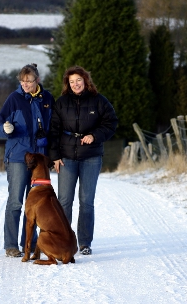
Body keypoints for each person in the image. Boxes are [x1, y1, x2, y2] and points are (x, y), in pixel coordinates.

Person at [48, 65, 118, 256]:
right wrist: (54, 156)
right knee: (64, 201)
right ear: (67, 84)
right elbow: (53, 130)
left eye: (78, 80)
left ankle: (85, 242)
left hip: (91, 157)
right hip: (66, 157)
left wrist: (95, 135)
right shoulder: (61, 103)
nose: (76, 84)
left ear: (86, 80)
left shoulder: (99, 101)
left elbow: (111, 123)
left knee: (86, 201)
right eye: (71, 82)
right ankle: (63, 239)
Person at [0, 63, 55, 258]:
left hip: (40, 159)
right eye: (22, 80)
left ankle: (30, 242)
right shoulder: (14, 99)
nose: (25, 84)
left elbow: (53, 127)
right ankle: (11, 245)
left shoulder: (47, 99)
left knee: (36, 204)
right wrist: (5, 130)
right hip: (19, 157)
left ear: (37, 80)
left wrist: (51, 156)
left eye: (29, 81)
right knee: (16, 202)